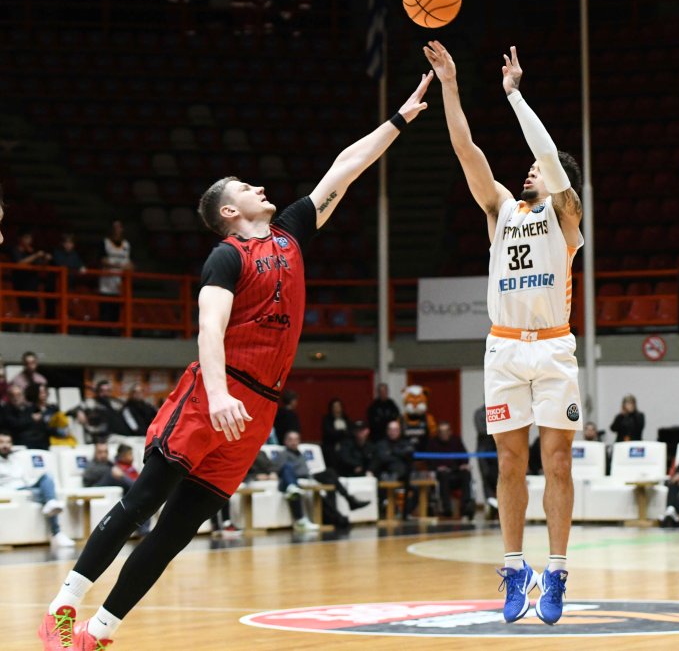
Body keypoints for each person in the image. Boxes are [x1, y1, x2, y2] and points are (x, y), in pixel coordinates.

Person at [38, 70, 433, 650]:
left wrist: (399, 118)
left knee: (176, 532)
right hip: (213, 392)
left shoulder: (290, 234)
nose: (260, 188)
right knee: (144, 501)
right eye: (247, 187)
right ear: (228, 209)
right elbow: (209, 328)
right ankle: (63, 606)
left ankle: (98, 633)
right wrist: (219, 394)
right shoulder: (226, 257)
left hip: (258, 408)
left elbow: (345, 169)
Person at [425, 40, 584, 626]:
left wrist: (514, 95)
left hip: (553, 346)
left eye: (539, 169)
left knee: (557, 462)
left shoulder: (564, 215)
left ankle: (557, 571)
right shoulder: (500, 208)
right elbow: (465, 149)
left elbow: (546, 154)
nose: (529, 170)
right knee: (509, 463)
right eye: (530, 168)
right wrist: (450, 85)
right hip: (503, 348)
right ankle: (516, 567)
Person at [0, 431, 74, 549]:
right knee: (49, 495)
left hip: (26, 487)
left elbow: (25, 478)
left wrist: (33, 485)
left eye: (8, 442)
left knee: (48, 477)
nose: (5, 445)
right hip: (12, 491)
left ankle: (51, 502)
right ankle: (56, 532)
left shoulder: (15, 459)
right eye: (2, 442)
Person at [423, 421, 475, 519]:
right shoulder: (432, 443)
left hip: (456, 471)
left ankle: (465, 507)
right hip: (441, 474)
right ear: (438, 433)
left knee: (466, 473)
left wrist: (464, 464)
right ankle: (446, 508)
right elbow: (428, 460)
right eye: (441, 432)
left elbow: (464, 456)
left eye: (446, 431)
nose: (444, 434)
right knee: (444, 475)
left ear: (450, 432)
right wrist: (437, 468)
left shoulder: (456, 441)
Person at [372, 420, 417, 518]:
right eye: (391, 429)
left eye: (396, 430)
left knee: (417, 487)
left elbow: (410, 453)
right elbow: (383, 458)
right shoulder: (381, 444)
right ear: (387, 431)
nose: (393, 432)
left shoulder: (405, 442)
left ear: (400, 431)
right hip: (385, 474)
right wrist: (400, 454)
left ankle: (406, 512)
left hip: (404, 475)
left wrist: (392, 452)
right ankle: (385, 511)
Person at [98, 219, 133, 328]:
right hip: (106, 283)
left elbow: (131, 264)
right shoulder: (105, 243)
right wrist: (118, 266)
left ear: (122, 229)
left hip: (120, 283)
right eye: (114, 227)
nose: (116, 230)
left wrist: (126, 267)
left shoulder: (126, 245)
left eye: (119, 227)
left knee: (116, 314)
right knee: (105, 312)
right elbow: (103, 260)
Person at [11, 230, 52, 323]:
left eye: (30, 238)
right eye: (26, 238)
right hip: (21, 284)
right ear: (20, 239)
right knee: (24, 313)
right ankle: (22, 331)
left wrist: (45, 259)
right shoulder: (15, 250)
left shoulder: (32, 251)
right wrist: (36, 255)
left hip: (32, 285)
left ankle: (31, 332)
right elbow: (20, 263)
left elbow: (40, 264)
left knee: (34, 312)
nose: (28, 240)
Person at [2, 384, 48, 450]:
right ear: (9, 397)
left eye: (18, 395)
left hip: (37, 443)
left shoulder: (32, 408)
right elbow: (14, 425)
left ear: (23, 396)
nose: (16, 398)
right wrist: (31, 419)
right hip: (18, 444)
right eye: (12, 395)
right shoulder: (5, 410)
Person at [474, 404, 499, 514]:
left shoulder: (498, 410)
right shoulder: (479, 413)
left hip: (497, 448)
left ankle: (499, 503)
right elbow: (482, 430)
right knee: (486, 476)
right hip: (483, 450)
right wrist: (496, 428)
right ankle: (490, 503)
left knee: (498, 476)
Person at [321, 398, 350, 471]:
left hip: (345, 446)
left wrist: (340, 433)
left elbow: (350, 432)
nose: (337, 408)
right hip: (331, 447)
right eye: (335, 406)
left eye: (338, 406)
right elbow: (329, 433)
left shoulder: (346, 418)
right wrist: (342, 432)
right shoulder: (327, 419)